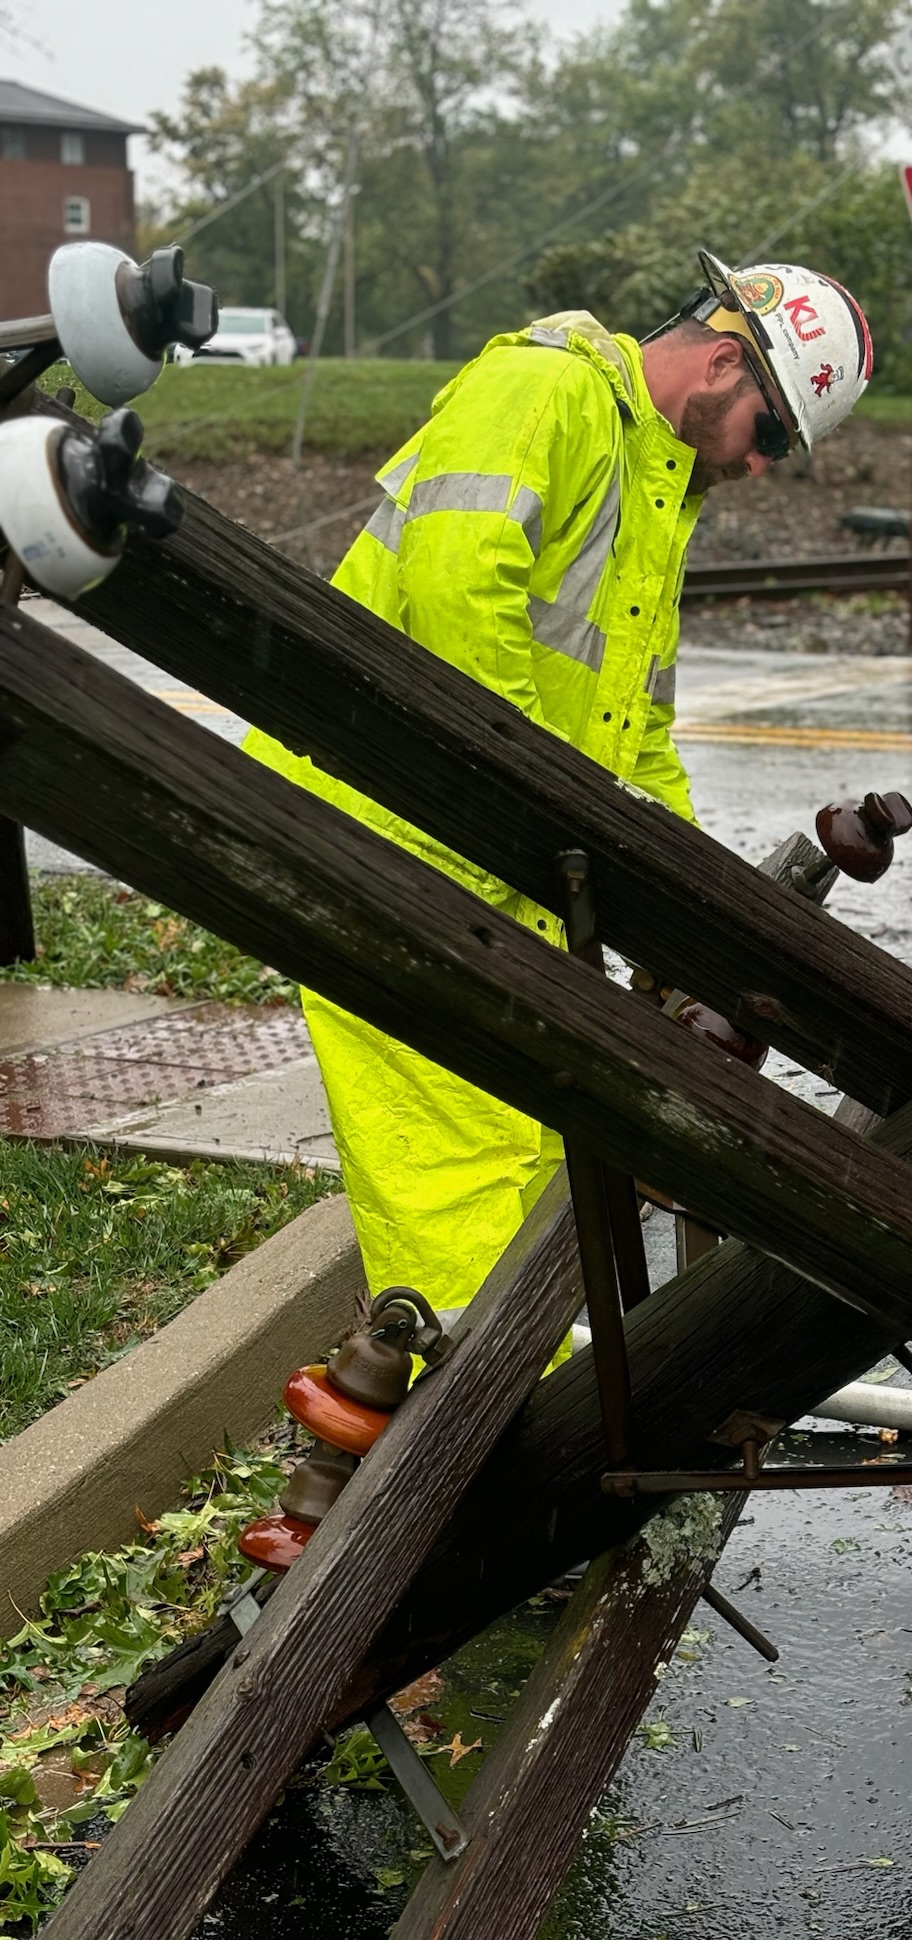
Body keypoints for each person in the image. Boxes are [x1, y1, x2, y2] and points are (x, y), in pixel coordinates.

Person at [245, 248, 874, 1319]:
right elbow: (456, 597)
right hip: (393, 848)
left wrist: (699, 913)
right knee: (468, 1187)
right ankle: (485, 1460)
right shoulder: (548, 386)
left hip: (491, 875)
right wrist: (538, 806)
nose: (765, 467)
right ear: (725, 362)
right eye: (771, 434)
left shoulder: (655, 486)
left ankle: (518, 1433)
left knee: (537, 1166)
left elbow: (638, 739)